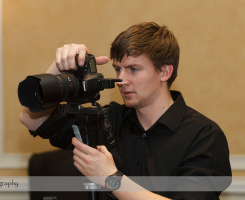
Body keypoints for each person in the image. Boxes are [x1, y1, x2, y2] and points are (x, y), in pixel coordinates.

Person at [20, 22, 232, 200]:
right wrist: (58, 69)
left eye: (133, 69)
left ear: (165, 72)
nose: (122, 79)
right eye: (117, 69)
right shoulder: (108, 119)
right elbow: (30, 118)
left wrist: (111, 178)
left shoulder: (204, 135)